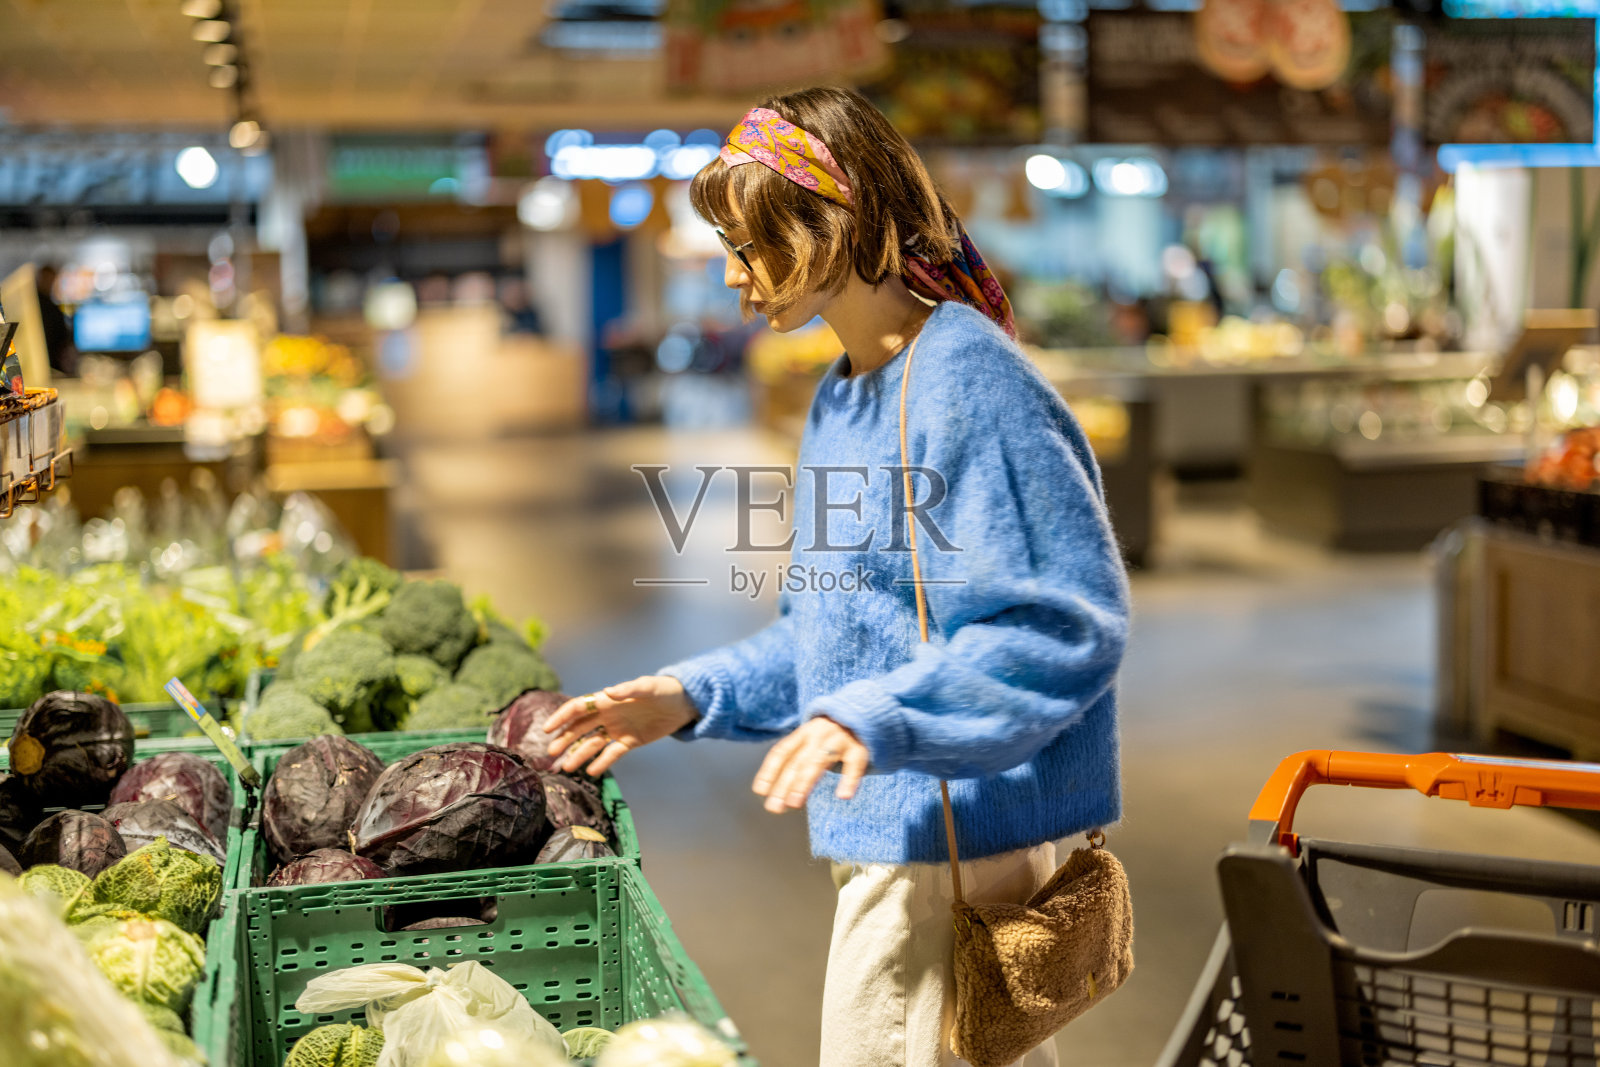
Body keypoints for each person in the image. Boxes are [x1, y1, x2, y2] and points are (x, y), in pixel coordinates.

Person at [545, 87, 1129, 1067]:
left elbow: (1060, 624)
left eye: (748, 244)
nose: (733, 276)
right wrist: (689, 695)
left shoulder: (967, 380)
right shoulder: (847, 391)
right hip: (896, 840)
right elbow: (833, 626)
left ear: (829, 224)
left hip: (949, 851)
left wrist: (875, 717)